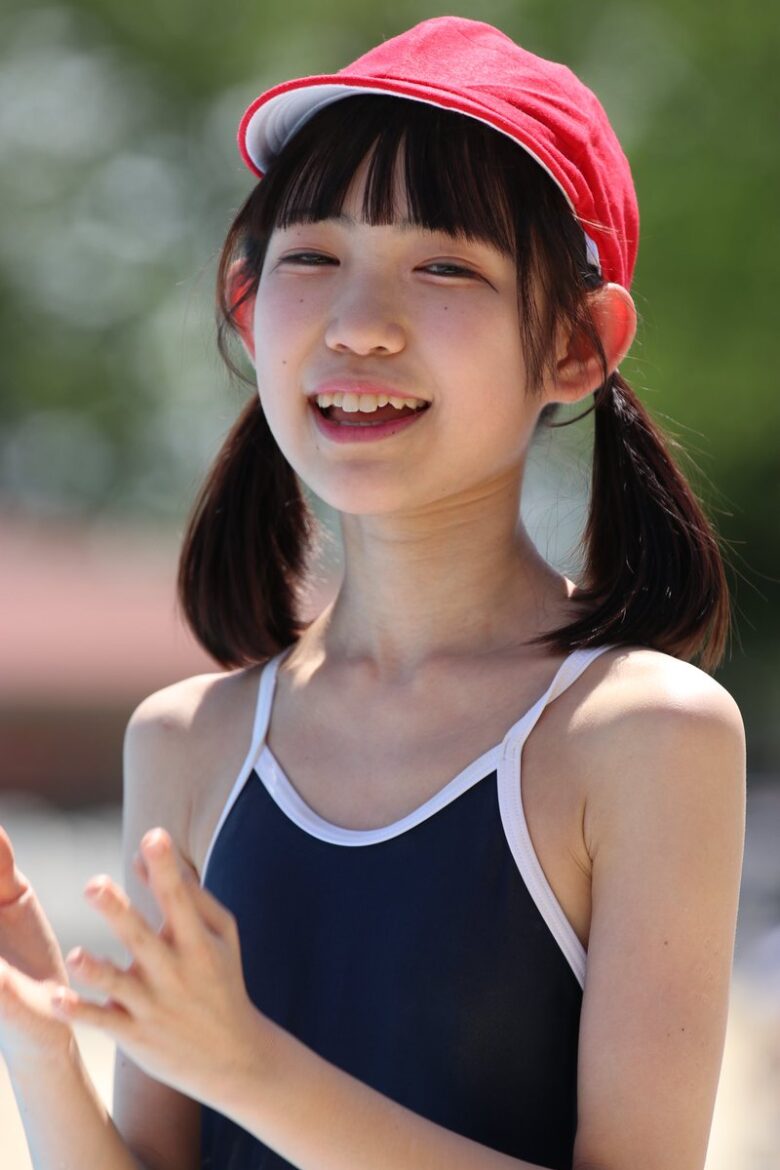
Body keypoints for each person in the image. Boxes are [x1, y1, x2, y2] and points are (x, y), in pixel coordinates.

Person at [0, 15, 746, 1170]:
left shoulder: (641, 735)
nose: (359, 326)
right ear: (249, 304)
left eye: (444, 266)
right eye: (311, 258)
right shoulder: (188, 742)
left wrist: (247, 1068)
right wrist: (39, 1036)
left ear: (578, 345)